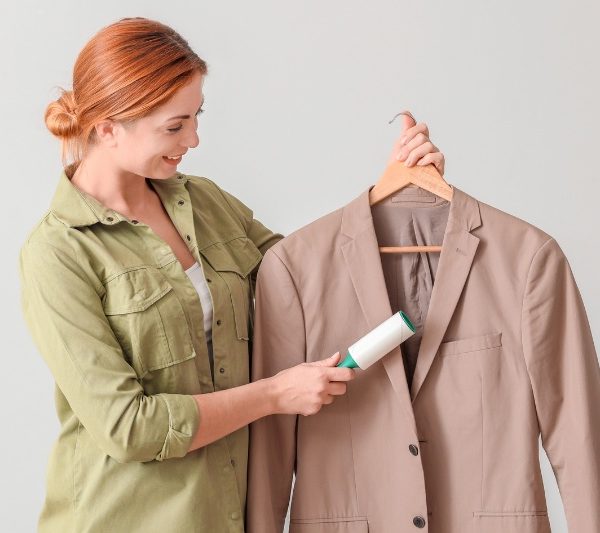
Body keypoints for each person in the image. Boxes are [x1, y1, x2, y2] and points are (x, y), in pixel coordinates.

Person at [18, 16, 447, 533]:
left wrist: (392, 192)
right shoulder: (57, 253)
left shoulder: (206, 203)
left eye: (197, 116)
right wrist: (273, 395)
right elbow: (127, 426)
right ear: (108, 127)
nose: (194, 139)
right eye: (175, 126)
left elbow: (311, 277)